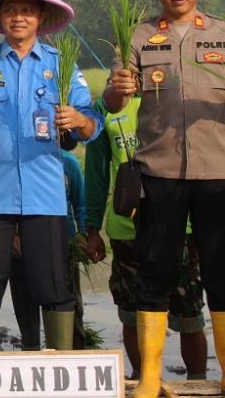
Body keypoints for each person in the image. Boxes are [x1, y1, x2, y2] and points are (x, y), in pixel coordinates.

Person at [0, 0, 100, 398]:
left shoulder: (60, 66)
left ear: (41, 17)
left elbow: (91, 125)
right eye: (10, 9)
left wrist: (78, 121)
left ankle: (63, 373)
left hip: (46, 195)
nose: (18, 16)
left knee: (53, 284)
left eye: (27, 10)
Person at [102, 0, 225, 398]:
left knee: (220, 269)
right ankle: (150, 377)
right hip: (159, 172)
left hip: (218, 171)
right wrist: (118, 88)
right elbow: (114, 101)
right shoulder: (136, 35)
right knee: (154, 269)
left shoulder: (221, 33)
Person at [84, 98, 207, 380]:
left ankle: (199, 380)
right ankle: (143, 377)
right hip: (126, 231)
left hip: (178, 230)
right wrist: (92, 228)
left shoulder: (176, 97)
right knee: (131, 311)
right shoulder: (106, 106)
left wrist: (200, 230)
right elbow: (97, 173)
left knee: (187, 313)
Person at [8, 150, 87, 351]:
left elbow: (81, 203)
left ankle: (71, 351)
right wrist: (14, 235)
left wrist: (83, 233)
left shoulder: (68, 163)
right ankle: (30, 348)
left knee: (68, 303)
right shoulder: (14, 162)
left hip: (62, 244)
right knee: (25, 303)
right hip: (22, 248)